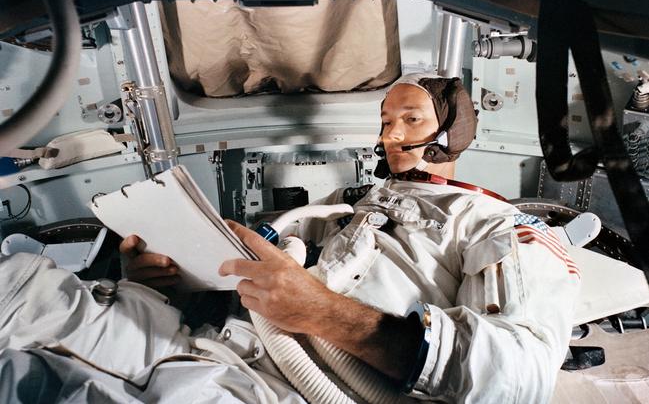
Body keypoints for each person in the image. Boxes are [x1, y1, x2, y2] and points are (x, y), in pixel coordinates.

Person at [118, 72, 581, 402]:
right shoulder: (351, 200)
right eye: (384, 122)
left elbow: (522, 376)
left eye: (411, 120)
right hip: (221, 350)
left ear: (451, 131)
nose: (390, 136)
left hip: (308, 387)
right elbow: (267, 258)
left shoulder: (493, 222)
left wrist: (322, 313)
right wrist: (173, 276)